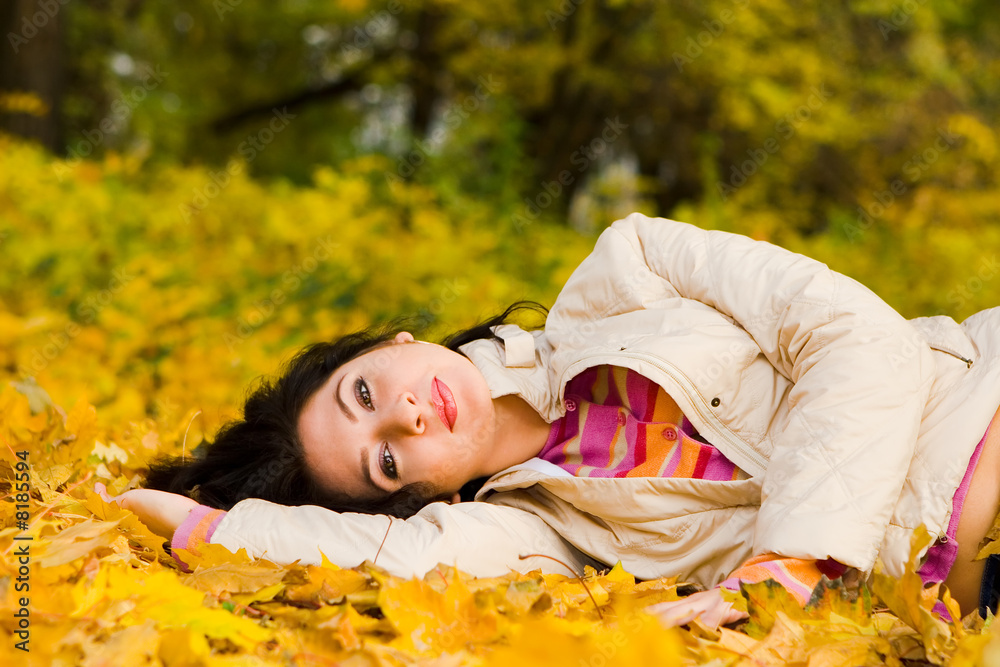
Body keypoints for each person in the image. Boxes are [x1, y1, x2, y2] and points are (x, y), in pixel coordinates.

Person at [94, 212, 1000, 627]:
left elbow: (859, 335)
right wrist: (208, 524)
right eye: (385, 463)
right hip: (966, 598)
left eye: (367, 392)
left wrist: (793, 555)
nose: (407, 419)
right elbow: (395, 558)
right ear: (418, 496)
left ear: (396, 341)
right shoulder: (534, 532)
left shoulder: (633, 264)